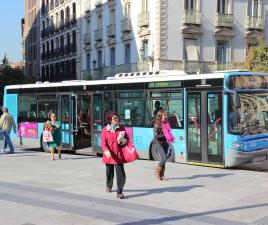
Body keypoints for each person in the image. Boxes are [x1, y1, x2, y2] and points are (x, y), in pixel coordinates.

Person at [101, 111, 129, 199]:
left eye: (117, 118)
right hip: (109, 154)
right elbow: (103, 143)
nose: (117, 119)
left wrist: (123, 140)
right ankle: (109, 185)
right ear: (110, 119)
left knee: (121, 174)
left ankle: (119, 191)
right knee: (109, 172)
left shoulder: (121, 128)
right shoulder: (105, 129)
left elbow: (127, 139)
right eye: (114, 118)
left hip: (118, 154)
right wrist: (106, 151)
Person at [152, 110, 175, 181]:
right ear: (160, 116)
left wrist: (170, 136)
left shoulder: (166, 123)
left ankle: (162, 175)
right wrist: (165, 134)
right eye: (164, 115)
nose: (165, 116)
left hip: (165, 142)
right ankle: (157, 172)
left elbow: (169, 131)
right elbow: (156, 136)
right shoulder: (156, 124)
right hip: (158, 143)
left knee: (164, 160)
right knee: (164, 158)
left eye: (165, 115)